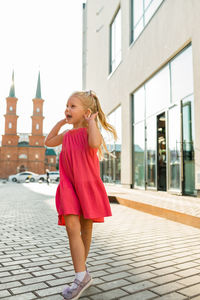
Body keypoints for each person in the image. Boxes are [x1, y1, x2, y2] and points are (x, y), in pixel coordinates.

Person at [44, 90, 117, 300]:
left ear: (86, 112)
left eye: (72, 106)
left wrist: (92, 122)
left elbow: (94, 143)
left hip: (86, 186)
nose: (68, 109)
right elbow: (48, 142)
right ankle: (81, 275)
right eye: (67, 105)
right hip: (68, 186)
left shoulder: (89, 132)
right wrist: (60, 122)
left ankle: (81, 275)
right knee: (71, 228)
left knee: (85, 228)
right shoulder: (66, 135)